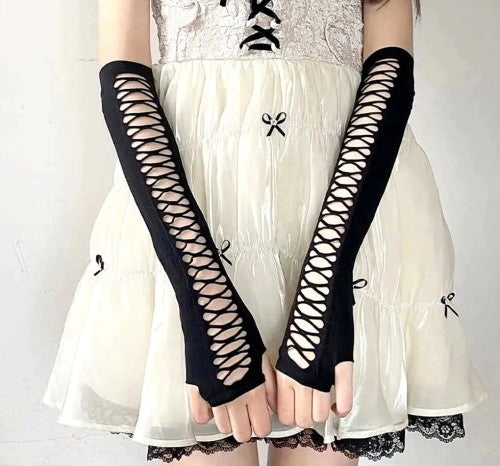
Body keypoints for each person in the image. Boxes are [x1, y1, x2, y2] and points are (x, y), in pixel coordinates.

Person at [43, 0, 486, 464]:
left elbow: (389, 70)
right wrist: (208, 309)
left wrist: (323, 291)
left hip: (343, 209)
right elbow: (124, 75)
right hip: (190, 211)